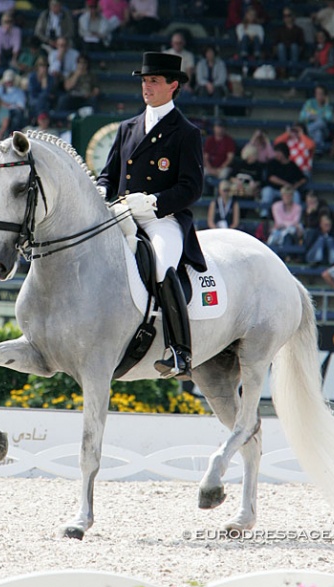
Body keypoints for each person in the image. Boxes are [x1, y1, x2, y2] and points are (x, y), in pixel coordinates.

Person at [96, 52, 206, 380]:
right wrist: (100, 191)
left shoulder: (186, 132)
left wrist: (155, 202)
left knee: (161, 263)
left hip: (163, 219)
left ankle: (179, 352)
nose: (147, 86)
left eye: (154, 81)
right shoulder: (127, 127)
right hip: (124, 214)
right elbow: (107, 173)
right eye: (144, 80)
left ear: (173, 85)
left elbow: (192, 188)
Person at [260, 142, 306, 217]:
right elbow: (271, 178)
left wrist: (295, 186)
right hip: (274, 189)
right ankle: (264, 213)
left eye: (278, 152)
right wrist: (286, 184)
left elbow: (303, 179)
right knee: (267, 191)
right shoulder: (272, 163)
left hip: (287, 190)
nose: (276, 154)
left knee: (296, 195)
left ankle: (295, 216)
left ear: (284, 153)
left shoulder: (292, 165)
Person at [203, 120, 237, 194]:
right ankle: (205, 194)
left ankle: (220, 194)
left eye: (221, 127)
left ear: (224, 129)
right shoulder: (210, 140)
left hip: (223, 168)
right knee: (202, 172)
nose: (219, 129)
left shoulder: (229, 140)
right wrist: (210, 168)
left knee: (224, 174)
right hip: (210, 167)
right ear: (214, 128)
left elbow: (230, 158)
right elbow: (205, 157)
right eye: (217, 127)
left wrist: (220, 168)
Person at [298, 84, 334, 155]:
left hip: (324, 131)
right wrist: (313, 116)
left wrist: (326, 105)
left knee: (321, 122)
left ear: (325, 96)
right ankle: (318, 150)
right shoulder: (310, 103)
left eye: (320, 94)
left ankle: (305, 131)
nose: (318, 96)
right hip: (313, 131)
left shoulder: (327, 106)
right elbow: (301, 117)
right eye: (317, 93)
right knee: (318, 132)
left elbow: (329, 118)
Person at [267, 185, 303, 249]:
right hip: (279, 230)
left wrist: (287, 224)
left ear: (292, 196)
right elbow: (279, 222)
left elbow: (296, 221)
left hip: (292, 231)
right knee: (276, 234)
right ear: (282, 196)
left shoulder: (298, 207)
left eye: (289, 195)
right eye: (285, 195)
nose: (287, 197)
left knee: (291, 232)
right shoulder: (276, 206)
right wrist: (291, 223)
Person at [273, 6, 305, 79]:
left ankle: (293, 71)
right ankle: (283, 69)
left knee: (294, 46)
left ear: (292, 16)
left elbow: (301, 44)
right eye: (285, 16)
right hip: (282, 52)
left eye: (289, 15)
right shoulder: (279, 30)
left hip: (294, 52)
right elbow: (275, 43)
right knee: (281, 46)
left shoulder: (299, 30)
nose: (287, 18)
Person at [0, 68, 27, 132]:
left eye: (10, 81)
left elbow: (21, 106)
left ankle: (13, 133)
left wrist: (7, 105)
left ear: (13, 81)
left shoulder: (19, 92)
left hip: (12, 112)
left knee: (17, 114)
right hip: (0, 111)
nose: (8, 83)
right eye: (7, 81)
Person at [236, 7, 264, 75]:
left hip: (255, 46)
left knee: (256, 39)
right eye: (250, 14)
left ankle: (257, 59)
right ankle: (244, 60)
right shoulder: (240, 26)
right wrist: (250, 36)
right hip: (244, 46)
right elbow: (240, 38)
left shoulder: (259, 27)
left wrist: (253, 37)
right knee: (245, 38)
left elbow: (261, 40)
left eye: (253, 15)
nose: (252, 17)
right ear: (246, 15)